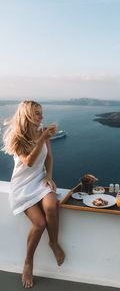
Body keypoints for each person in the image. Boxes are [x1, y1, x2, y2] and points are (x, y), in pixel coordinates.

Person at [2, 100, 65, 288]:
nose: (41, 117)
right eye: (37, 113)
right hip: (22, 186)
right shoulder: (17, 137)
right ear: (28, 115)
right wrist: (42, 138)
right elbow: (29, 162)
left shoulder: (42, 132)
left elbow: (49, 157)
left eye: (41, 112)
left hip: (40, 181)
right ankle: (28, 261)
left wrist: (50, 176)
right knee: (39, 223)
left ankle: (53, 243)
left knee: (52, 206)